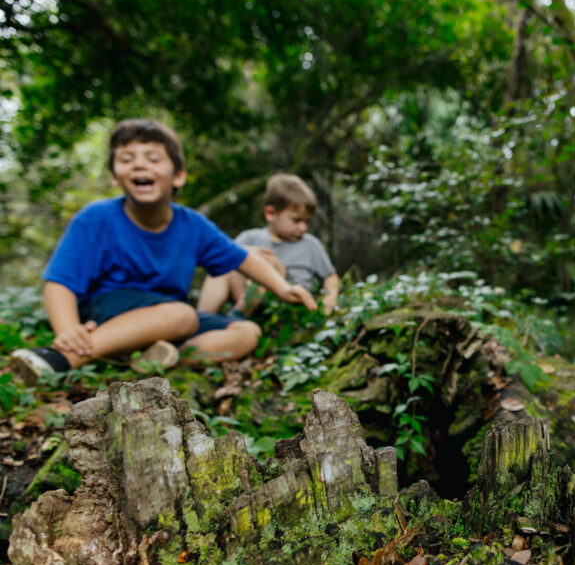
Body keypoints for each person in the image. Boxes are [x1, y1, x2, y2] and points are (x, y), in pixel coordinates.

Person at [12, 118, 316, 385]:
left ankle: (158, 357)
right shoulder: (96, 218)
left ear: (178, 175)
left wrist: (284, 289)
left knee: (247, 333)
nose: (140, 165)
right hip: (110, 311)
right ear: (115, 177)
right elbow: (60, 282)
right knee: (182, 314)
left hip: (170, 321)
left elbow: (243, 258)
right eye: (127, 159)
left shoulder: (193, 226)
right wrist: (68, 330)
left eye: (153, 158)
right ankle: (63, 358)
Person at [196, 173, 339, 316]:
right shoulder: (250, 237)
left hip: (288, 309)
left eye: (306, 221)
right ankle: (203, 319)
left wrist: (329, 300)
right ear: (270, 213)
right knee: (229, 261)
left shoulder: (310, 245)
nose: (303, 228)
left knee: (268, 262)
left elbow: (330, 276)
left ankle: (235, 318)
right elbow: (227, 259)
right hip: (249, 302)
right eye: (296, 220)